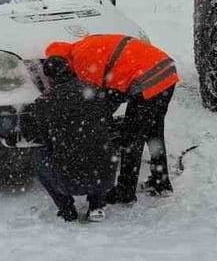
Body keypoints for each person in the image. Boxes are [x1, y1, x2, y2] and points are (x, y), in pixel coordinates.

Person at [44, 34, 179, 205]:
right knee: (153, 131)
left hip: (146, 79)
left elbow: (98, 103)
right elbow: (110, 88)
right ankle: (161, 182)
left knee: (132, 138)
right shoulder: (85, 45)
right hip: (165, 70)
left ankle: (125, 191)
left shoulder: (82, 62)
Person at [23, 56, 124, 222]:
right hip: (105, 178)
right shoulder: (95, 91)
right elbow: (108, 126)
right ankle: (96, 205)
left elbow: (42, 139)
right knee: (96, 147)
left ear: (49, 78)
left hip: (69, 180)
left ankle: (66, 209)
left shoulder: (44, 102)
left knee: (38, 156)